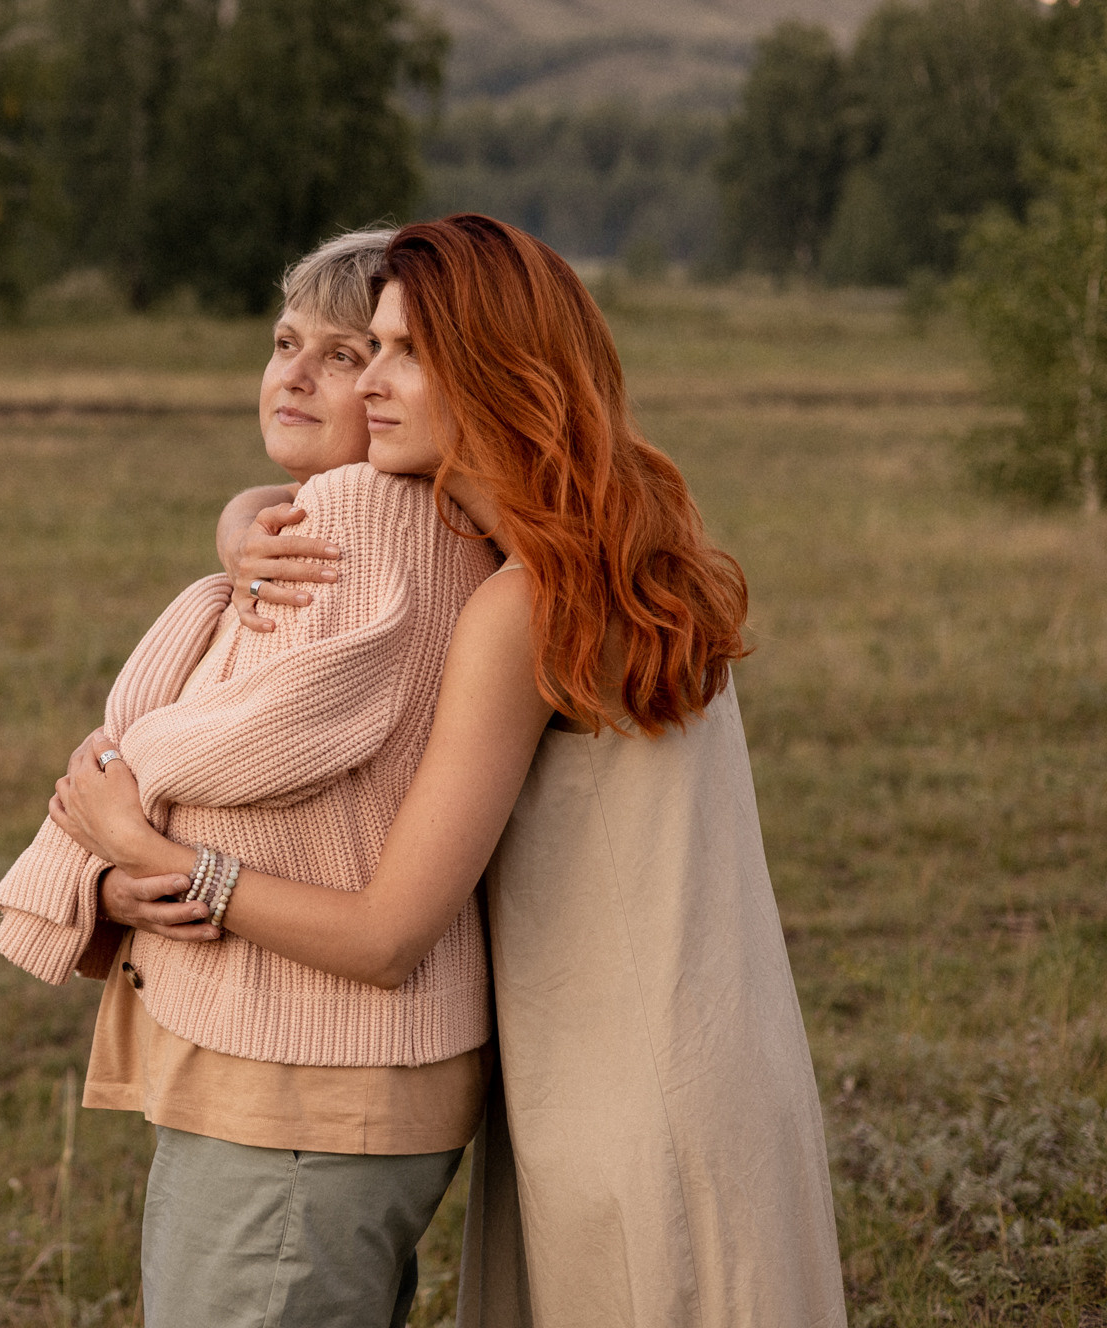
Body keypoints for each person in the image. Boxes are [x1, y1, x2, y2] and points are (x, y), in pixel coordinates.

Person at [51, 214, 849, 1328]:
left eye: (403, 352)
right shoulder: (609, 552)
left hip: (622, 1093)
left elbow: (387, 933)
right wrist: (243, 523)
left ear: (495, 372)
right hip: (705, 1057)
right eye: (364, 348)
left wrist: (156, 853)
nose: (366, 379)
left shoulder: (521, 603)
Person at [0, 227, 503, 1328]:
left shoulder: (365, 514)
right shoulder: (380, 513)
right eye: (284, 341)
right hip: (320, 1075)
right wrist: (123, 867)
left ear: (423, 376)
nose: (296, 372)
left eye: (352, 351)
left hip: (302, 1082)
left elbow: (269, 730)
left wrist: (113, 792)